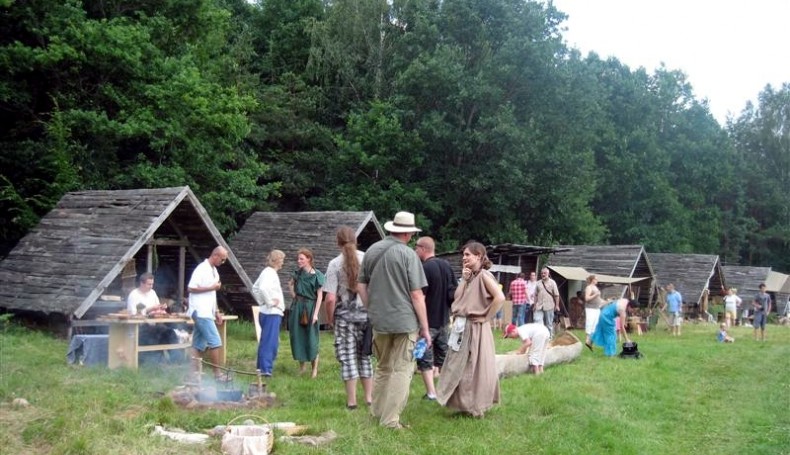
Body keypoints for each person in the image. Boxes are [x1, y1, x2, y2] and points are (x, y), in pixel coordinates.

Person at [357, 211, 431, 429]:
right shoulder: (408, 255)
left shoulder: (371, 251)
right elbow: (417, 295)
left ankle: (376, 413)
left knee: (382, 367)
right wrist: (425, 328)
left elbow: (361, 285)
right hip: (405, 322)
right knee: (401, 369)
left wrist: (372, 308)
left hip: (379, 321)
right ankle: (390, 421)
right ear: (408, 233)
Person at [437, 242, 504, 417]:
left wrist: (485, 317)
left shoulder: (483, 276)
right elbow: (457, 298)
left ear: (479, 256)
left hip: (475, 327)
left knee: (474, 366)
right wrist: (464, 280)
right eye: (464, 255)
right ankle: (465, 405)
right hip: (463, 326)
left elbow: (500, 297)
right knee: (460, 365)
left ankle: (476, 406)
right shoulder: (471, 276)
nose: (464, 257)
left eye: (468, 254)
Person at [324, 226, 373, 410]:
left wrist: (330, 319)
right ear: (356, 239)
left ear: (337, 242)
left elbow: (330, 298)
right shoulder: (367, 258)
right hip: (366, 315)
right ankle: (369, 398)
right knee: (365, 356)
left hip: (344, 318)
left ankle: (352, 402)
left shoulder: (334, 264)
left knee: (348, 357)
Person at [414, 236, 457, 401]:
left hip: (428, 323)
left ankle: (432, 393)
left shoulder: (424, 268)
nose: (415, 250)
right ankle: (447, 389)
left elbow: (420, 297)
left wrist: (420, 323)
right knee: (443, 356)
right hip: (444, 321)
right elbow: (454, 291)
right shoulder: (446, 265)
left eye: (416, 247)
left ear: (423, 249)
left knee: (423, 356)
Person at [187, 246, 229, 381]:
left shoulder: (214, 271)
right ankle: (217, 375)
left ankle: (193, 375)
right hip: (200, 311)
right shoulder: (201, 269)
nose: (222, 263)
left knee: (198, 344)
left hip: (207, 311)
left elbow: (212, 294)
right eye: (222, 260)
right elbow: (191, 288)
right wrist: (211, 287)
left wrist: (216, 311)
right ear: (215, 255)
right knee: (215, 341)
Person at [288, 248, 325, 377]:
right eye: (298, 259)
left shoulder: (317, 275)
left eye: (301, 259)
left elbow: (320, 296)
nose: (299, 261)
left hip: (310, 308)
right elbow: (290, 284)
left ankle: (314, 369)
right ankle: (302, 368)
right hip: (298, 307)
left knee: (311, 338)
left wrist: (315, 314)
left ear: (309, 259)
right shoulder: (297, 274)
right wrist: (294, 296)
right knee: (298, 337)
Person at [251, 249, 285, 377]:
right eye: (282, 260)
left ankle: (261, 368)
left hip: (268, 311)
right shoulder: (270, 273)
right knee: (270, 342)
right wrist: (269, 302)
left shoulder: (267, 272)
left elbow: (255, 288)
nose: (283, 263)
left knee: (267, 341)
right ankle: (265, 369)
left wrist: (262, 302)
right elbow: (262, 288)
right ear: (276, 261)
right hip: (271, 312)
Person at [533, 267, 560, 338]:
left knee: (549, 323)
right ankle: (540, 336)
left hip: (549, 305)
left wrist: (557, 305)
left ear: (548, 273)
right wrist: (534, 305)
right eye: (542, 273)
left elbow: (557, 295)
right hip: (539, 306)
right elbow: (535, 295)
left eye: (545, 273)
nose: (543, 274)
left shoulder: (552, 282)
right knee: (537, 320)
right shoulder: (538, 283)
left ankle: (549, 337)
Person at [583, 275, 605, 350]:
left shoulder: (595, 287)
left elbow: (598, 299)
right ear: (592, 280)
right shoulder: (589, 287)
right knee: (590, 323)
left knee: (595, 324)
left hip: (597, 308)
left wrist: (607, 301)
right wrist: (596, 294)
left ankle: (590, 341)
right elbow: (587, 298)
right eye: (596, 279)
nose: (597, 280)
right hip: (590, 308)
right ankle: (587, 339)